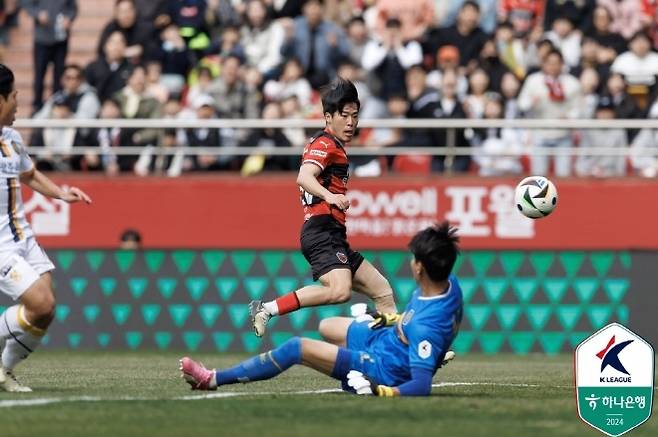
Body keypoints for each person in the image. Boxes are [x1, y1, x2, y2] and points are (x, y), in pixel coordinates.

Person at [182, 222, 462, 397]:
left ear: (419, 267)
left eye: (414, 258)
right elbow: (420, 323)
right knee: (327, 326)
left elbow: (421, 385)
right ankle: (350, 380)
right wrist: (389, 317)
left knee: (296, 347)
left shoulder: (427, 327)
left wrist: (381, 390)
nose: (411, 262)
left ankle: (212, 379)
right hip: (388, 339)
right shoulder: (448, 285)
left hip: (381, 366)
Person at [248, 78, 396, 338]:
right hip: (321, 230)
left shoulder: (334, 145)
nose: (351, 123)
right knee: (340, 291)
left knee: (382, 290)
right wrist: (330, 196)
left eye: (355, 116)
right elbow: (304, 176)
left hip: (333, 234)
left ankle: (399, 353)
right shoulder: (325, 143)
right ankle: (267, 308)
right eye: (344, 116)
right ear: (328, 117)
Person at [0, 64, 91, 392]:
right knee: (40, 304)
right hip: (1, 246)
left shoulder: (11, 138)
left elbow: (29, 175)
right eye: (13, 97)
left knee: (45, 310)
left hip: (23, 236)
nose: (18, 104)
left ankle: (5, 371)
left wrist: (62, 194)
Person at [23, 0, 77, 111]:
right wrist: (38, 14)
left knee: (59, 74)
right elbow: (27, 4)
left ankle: (57, 104)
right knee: (39, 74)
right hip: (42, 38)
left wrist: (69, 18)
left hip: (61, 38)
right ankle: (37, 105)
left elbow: (73, 8)